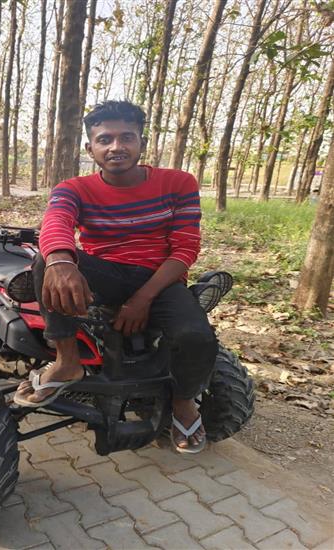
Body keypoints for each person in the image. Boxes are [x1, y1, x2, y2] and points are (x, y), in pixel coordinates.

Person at [14, 100, 217, 453]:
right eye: (105, 139)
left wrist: (142, 299)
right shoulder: (73, 188)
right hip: (106, 271)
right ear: (90, 148)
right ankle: (67, 362)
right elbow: (56, 222)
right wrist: (62, 261)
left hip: (161, 278)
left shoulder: (178, 183)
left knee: (197, 337)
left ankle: (184, 400)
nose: (116, 147)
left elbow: (185, 248)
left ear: (142, 142)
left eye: (126, 137)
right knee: (48, 262)